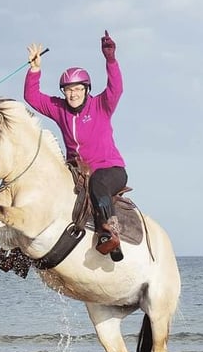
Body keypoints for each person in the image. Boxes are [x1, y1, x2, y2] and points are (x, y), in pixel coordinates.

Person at [24, 30, 127, 262]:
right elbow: (32, 97)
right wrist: (34, 69)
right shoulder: (60, 109)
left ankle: (109, 234)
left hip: (110, 170)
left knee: (99, 182)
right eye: (68, 90)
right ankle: (22, 248)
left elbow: (116, 88)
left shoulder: (101, 105)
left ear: (86, 90)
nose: (73, 94)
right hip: (76, 171)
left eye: (78, 89)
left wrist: (110, 59)